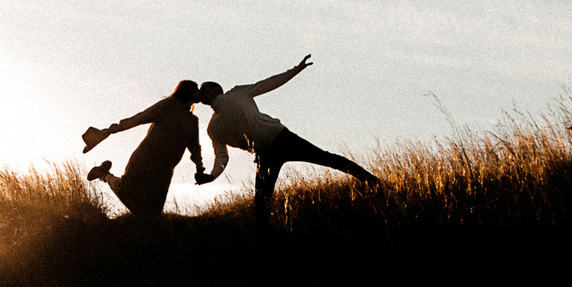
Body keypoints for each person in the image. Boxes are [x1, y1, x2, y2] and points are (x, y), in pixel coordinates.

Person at [196, 55, 380, 222]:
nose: (200, 92)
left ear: (213, 89)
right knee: (261, 202)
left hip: (282, 138)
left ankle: (374, 183)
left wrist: (294, 70)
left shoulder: (236, 93)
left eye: (203, 88)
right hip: (266, 155)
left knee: (326, 158)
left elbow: (267, 84)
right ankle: (264, 243)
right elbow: (222, 156)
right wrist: (212, 176)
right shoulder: (213, 128)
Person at [80, 80, 205, 219]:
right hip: (146, 158)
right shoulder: (169, 105)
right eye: (197, 88)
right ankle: (104, 174)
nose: (200, 92)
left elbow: (195, 148)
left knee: (152, 212)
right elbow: (139, 118)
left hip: (165, 168)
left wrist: (200, 169)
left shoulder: (193, 121)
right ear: (188, 91)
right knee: (126, 191)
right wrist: (109, 130)